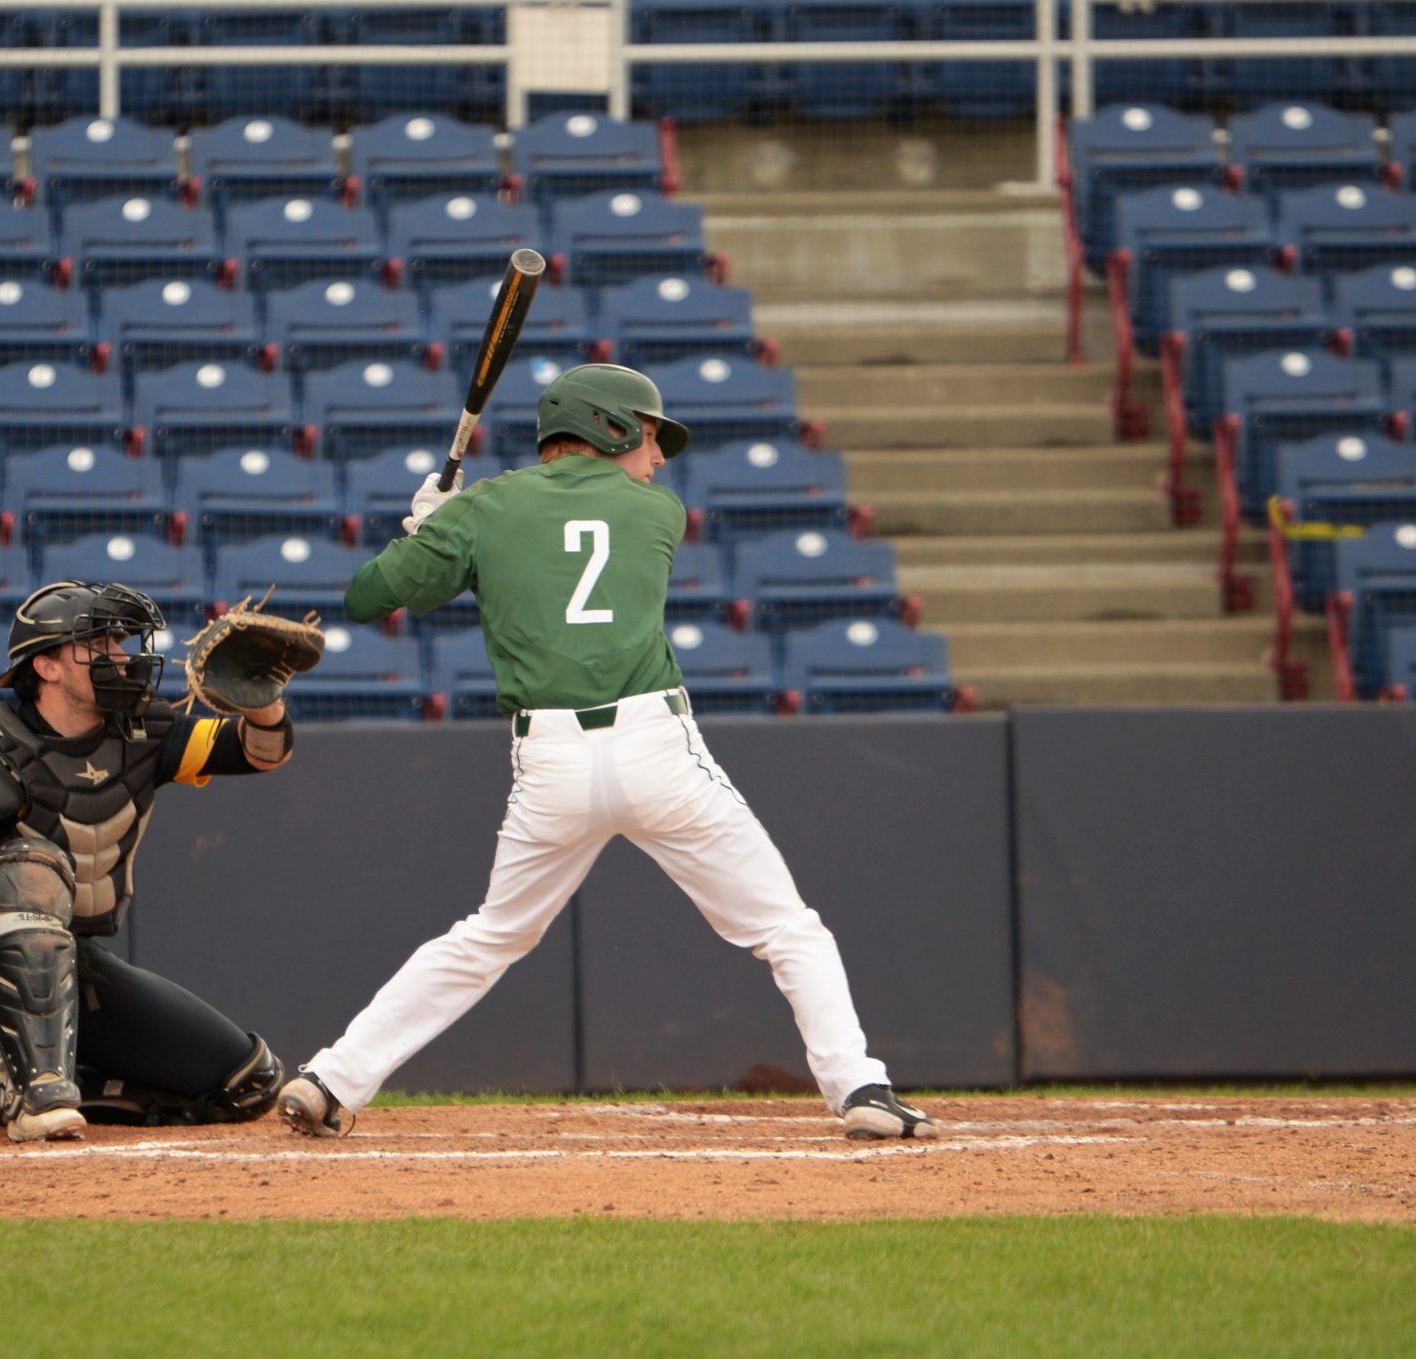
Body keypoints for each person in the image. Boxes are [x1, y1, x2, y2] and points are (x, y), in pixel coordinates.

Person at [278, 363, 936, 1143]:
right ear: (609, 426)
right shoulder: (659, 511)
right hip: (657, 752)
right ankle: (859, 1084)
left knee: (490, 936)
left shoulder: (487, 507)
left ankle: (331, 1078)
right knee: (788, 928)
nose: (657, 459)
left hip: (550, 764)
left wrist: (430, 529)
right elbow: (568, 530)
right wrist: (457, 526)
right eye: (650, 437)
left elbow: (371, 596)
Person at [0, 581, 293, 1143]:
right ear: (47, 667)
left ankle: (20, 1085)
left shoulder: (144, 730)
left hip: (71, 962)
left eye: (121, 643)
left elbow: (259, 752)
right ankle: (41, 1095)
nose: (122, 657)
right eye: (100, 644)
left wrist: (262, 699)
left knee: (246, 1083)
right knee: (31, 864)